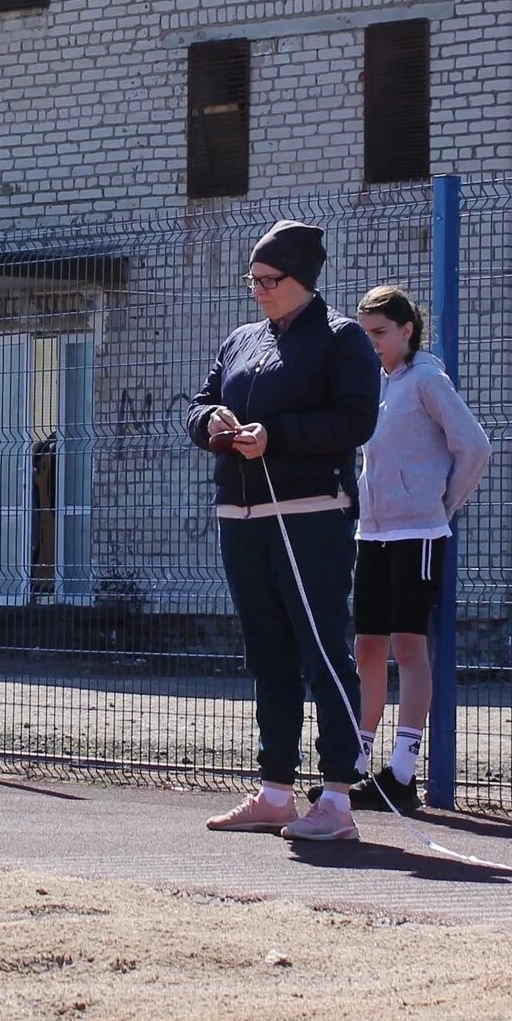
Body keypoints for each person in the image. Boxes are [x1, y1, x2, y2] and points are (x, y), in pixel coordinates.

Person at [187, 221, 382, 843]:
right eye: (254, 279)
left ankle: (338, 797)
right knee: (266, 651)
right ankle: (275, 790)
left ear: (303, 279)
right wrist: (210, 420)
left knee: (322, 649)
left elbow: (355, 420)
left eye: (270, 280)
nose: (259, 290)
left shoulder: (341, 339)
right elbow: (198, 401)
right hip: (239, 515)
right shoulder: (241, 339)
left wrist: (277, 436)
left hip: (308, 514)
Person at [347, 284, 490, 813]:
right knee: (366, 646)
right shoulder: (373, 385)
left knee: (409, 646)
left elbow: (474, 445)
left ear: (407, 331)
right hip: (373, 532)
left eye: (380, 333)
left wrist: (440, 505)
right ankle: (356, 764)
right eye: (365, 335)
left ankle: (403, 771)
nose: (373, 344)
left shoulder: (428, 379)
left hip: (417, 534)